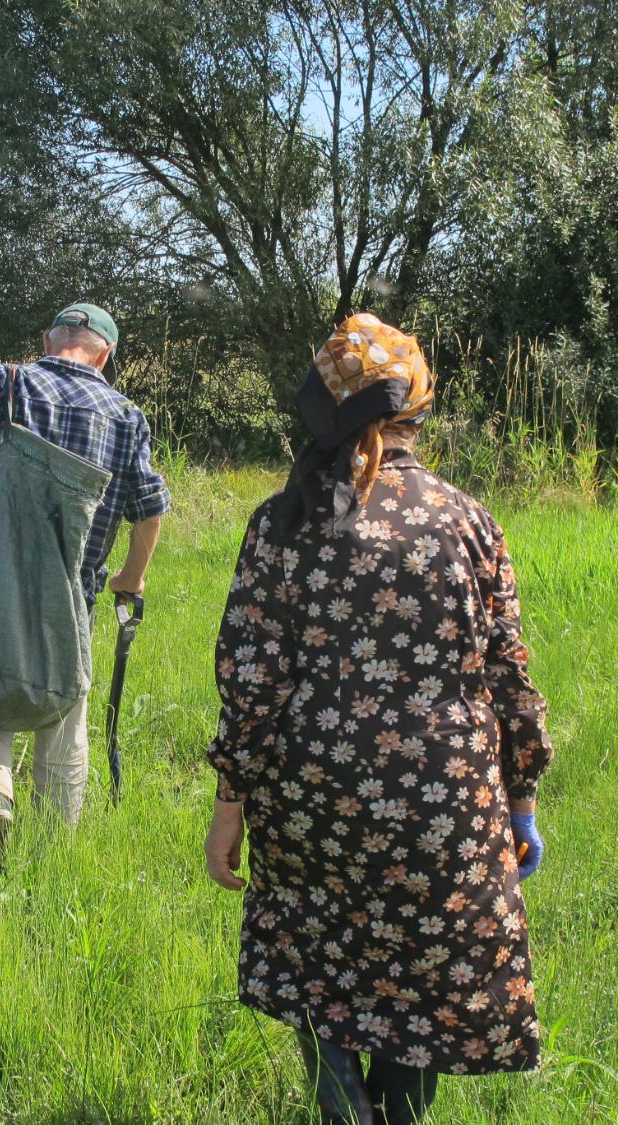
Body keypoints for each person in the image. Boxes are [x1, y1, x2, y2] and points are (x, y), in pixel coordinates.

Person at [202, 314, 554, 1124]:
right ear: (418, 410)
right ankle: (399, 1115)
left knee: (314, 964)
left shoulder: (282, 522)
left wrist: (231, 806)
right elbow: (509, 676)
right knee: (420, 974)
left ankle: (343, 1109)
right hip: (444, 803)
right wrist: (522, 799)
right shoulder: (467, 521)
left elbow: (250, 684)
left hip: (311, 803)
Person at [0, 303, 170, 849]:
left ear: (47, 339)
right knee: (63, 710)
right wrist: (131, 576)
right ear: (105, 354)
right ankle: (56, 847)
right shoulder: (125, 416)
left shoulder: (6, 383)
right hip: (71, 592)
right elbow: (149, 509)